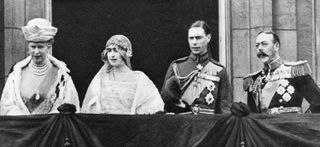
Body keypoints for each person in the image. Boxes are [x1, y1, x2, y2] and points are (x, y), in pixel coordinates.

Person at [0, 18, 80, 115]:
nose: (36, 52)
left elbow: (69, 104)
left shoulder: (61, 74)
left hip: (52, 128)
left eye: (41, 47)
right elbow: (8, 106)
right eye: (33, 47)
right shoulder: (16, 74)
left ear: (49, 45)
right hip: (24, 128)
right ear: (28, 46)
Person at [161, 20, 232, 114]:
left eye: (198, 38)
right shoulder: (176, 67)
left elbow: (225, 108)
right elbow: (166, 104)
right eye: (191, 38)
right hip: (183, 125)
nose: (194, 42)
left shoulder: (219, 70)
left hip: (210, 126)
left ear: (208, 37)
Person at [81, 35, 164, 114]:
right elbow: (89, 109)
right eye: (109, 50)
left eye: (116, 50)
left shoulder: (139, 78)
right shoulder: (101, 78)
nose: (112, 55)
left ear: (126, 52)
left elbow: (153, 105)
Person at [243, 31, 320, 114]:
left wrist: (301, 122)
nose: (260, 48)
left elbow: (318, 103)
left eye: (264, 44)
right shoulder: (254, 80)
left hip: (289, 126)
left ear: (276, 46)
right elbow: (252, 114)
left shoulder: (295, 73)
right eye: (257, 45)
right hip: (262, 126)